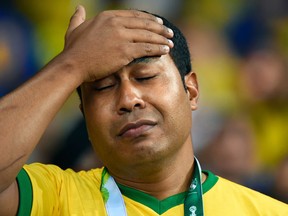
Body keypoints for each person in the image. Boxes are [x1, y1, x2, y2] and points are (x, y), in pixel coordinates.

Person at [0, 5, 287, 216]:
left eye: (145, 77)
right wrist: (71, 64)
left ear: (192, 91)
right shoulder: (54, 198)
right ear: (85, 118)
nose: (128, 99)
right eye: (102, 87)